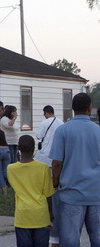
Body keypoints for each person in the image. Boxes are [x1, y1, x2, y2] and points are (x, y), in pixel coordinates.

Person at [50, 93, 100, 247]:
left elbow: (57, 162)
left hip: (71, 194)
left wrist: (56, 182)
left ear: (72, 109)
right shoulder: (98, 130)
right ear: (89, 108)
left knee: (70, 240)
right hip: (96, 193)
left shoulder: (63, 130)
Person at [7, 135, 54, 247]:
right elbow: (48, 194)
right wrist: (50, 215)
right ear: (34, 149)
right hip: (41, 215)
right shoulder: (44, 168)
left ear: (19, 149)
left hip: (22, 216)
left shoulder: (11, 169)